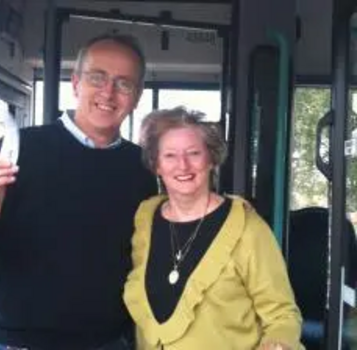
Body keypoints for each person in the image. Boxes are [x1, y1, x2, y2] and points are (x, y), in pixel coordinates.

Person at [0, 34, 157, 350]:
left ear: (137, 96)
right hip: (25, 344)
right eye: (97, 77)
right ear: (76, 84)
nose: (108, 92)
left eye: (123, 83)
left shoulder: (143, 168)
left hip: (113, 343)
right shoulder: (17, 149)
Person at [124, 106, 304, 350]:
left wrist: (278, 344)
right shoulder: (145, 220)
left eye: (194, 153)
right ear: (156, 165)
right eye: (170, 156)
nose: (183, 165)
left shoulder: (248, 229)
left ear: (211, 159)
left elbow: (282, 315)